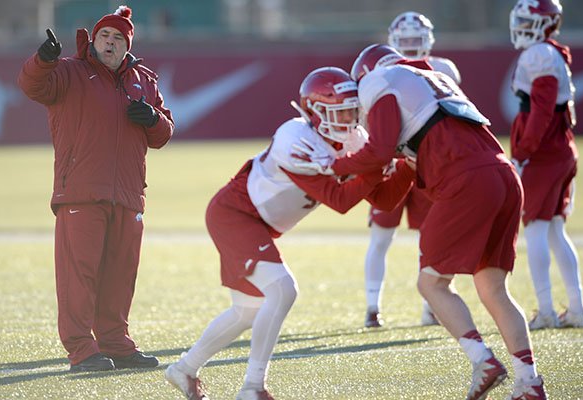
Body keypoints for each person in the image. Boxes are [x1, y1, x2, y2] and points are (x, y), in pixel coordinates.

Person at [295, 45, 547, 399]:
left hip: (465, 178)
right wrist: (360, 173)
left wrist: (337, 166)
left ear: (365, 76)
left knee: (432, 284)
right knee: (492, 287)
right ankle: (530, 382)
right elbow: (387, 194)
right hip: (502, 174)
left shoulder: (381, 82)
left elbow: (380, 151)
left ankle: (483, 360)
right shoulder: (430, 85)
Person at [164, 67, 415, 400]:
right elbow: (339, 199)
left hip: (259, 221)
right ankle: (253, 387)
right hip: (236, 214)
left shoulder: (355, 138)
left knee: (247, 310)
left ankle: (183, 369)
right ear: (313, 111)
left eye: (352, 111)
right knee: (282, 290)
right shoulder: (295, 137)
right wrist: (375, 166)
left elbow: (383, 199)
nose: (348, 119)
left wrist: (408, 168)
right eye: (338, 111)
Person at [18, 6, 174, 372]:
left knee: (120, 275)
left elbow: (164, 133)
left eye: (118, 38)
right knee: (79, 276)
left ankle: (116, 343)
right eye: (105, 35)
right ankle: (81, 351)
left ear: (127, 46)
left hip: (129, 194)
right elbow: (32, 85)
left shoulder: (144, 80)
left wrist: (153, 119)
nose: (110, 42)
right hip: (81, 193)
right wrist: (43, 60)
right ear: (94, 39)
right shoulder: (69, 71)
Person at [363, 11, 463, 328]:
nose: (408, 47)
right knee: (380, 238)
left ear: (428, 42)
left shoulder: (443, 69)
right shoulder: (383, 71)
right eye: (403, 41)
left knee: (431, 236)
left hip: (425, 164)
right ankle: (372, 307)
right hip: (392, 164)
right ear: (392, 42)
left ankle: (431, 306)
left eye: (414, 41)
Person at [509, 0, 583, 331]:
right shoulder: (550, 51)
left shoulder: (538, 54)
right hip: (561, 147)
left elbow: (541, 110)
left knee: (537, 229)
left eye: (529, 21)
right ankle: (577, 308)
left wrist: (525, 150)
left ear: (546, 24)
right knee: (555, 228)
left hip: (545, 151)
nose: (521, 26)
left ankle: (545, 310)